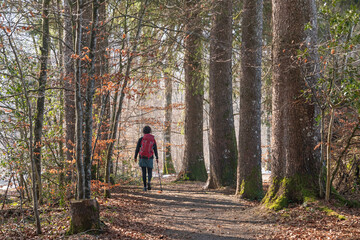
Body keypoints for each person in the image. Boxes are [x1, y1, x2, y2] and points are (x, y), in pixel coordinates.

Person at [134, 126, 159, 191]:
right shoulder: (152, 139)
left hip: (142, 157)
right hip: (150, 157)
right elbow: (155, 149)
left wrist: (135, 157)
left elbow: (137, 148)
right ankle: (149, 181)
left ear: (143, 131)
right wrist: (157, 157)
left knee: (144, 172)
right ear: (150, 131)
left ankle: (145, 186)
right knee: (150, 171)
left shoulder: (141, 139)